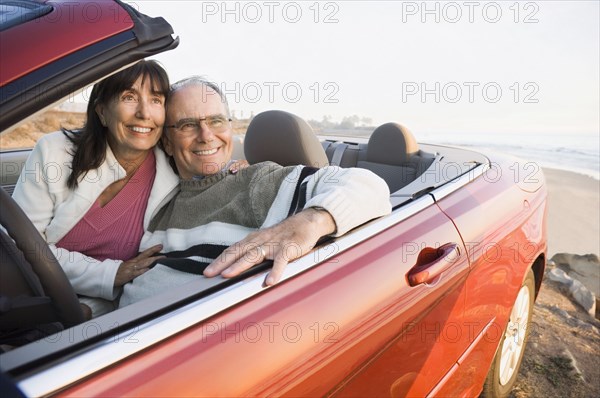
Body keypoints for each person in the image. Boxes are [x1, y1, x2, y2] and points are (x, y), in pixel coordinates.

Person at [119, 77, 392, 306]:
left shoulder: (255, 182)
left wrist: (311, 221)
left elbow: (370, 187)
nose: (206, 135)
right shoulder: (157, 201)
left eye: (216, 121)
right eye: (188, 125)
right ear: (166, 142)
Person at [12, 61, 180, 317]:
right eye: (129, 97)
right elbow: (23, 249)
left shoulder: (174, 169)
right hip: (25, 293)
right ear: (102, 111)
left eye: (156, 100)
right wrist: (111, 274)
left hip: (99, 312)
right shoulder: (54, 153)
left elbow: (218, 173)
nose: (145, 113)